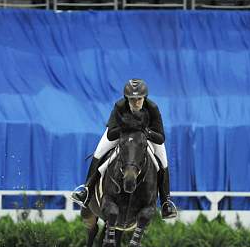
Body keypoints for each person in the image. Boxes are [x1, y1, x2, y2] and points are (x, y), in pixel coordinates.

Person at [71, 79, 178, 219]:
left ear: (144, 98)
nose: (136, 102)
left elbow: (161, 137)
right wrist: (125, 127)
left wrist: (147, 132)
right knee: (99, 152)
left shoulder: (152, 108)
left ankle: (166, 203)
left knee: (163, 162)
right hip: (121, 135)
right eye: (132, 99)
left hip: (146, 137)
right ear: (126, 98)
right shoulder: (119, 106)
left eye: (139, 99)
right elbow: (110, 134)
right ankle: (87, 190)